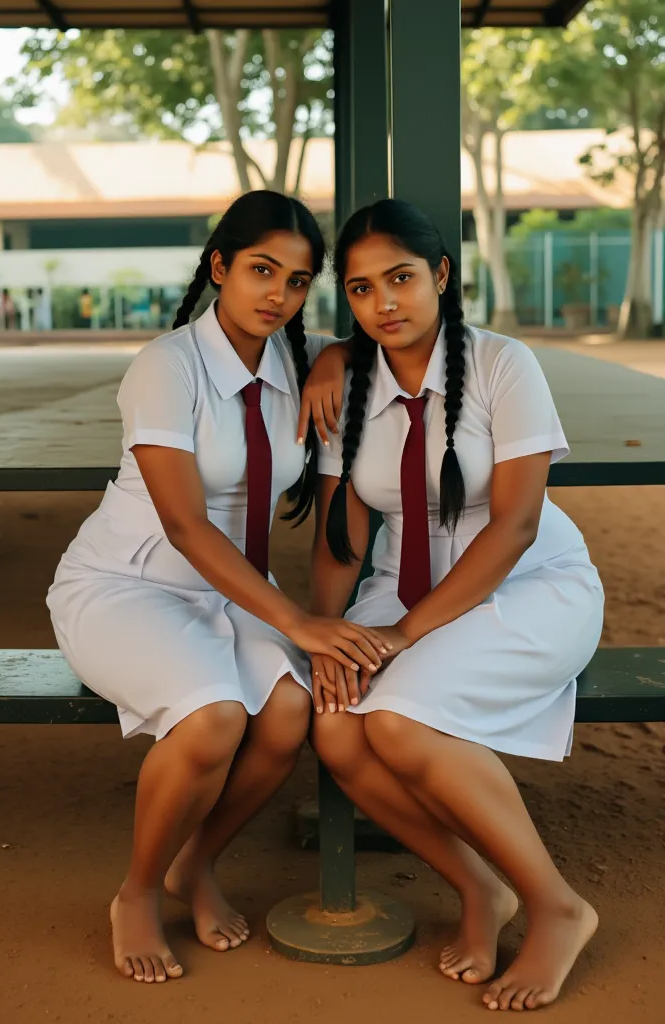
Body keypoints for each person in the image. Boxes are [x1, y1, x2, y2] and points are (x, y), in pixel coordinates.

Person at [46, 190, 391, 985]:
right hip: (129, 582)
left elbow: (373, 344)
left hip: (234, 589)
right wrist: (300, 624)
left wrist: (340, 355)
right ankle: (137, 891)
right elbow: (185, 525)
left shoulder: (294, 361)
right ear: (219, 267)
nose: (278, 294)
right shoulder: (166, 367)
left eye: (299, 281)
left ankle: (194, 863)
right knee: (213, 718)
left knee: (291, 712)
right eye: (262, 270)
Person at [309, 199, 604, 1013]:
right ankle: (480, 891)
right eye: (362, 291)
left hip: (524, 587)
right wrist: (329, 636)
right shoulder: (350, 383)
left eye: (400, 278)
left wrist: (404, 635)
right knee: (335, 725)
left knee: (399, 721)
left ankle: (555, 903)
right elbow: (342, 533)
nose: (385, 304)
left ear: (440, 274)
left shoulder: (506, 365)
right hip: (398, 590)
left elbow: (512, 526)